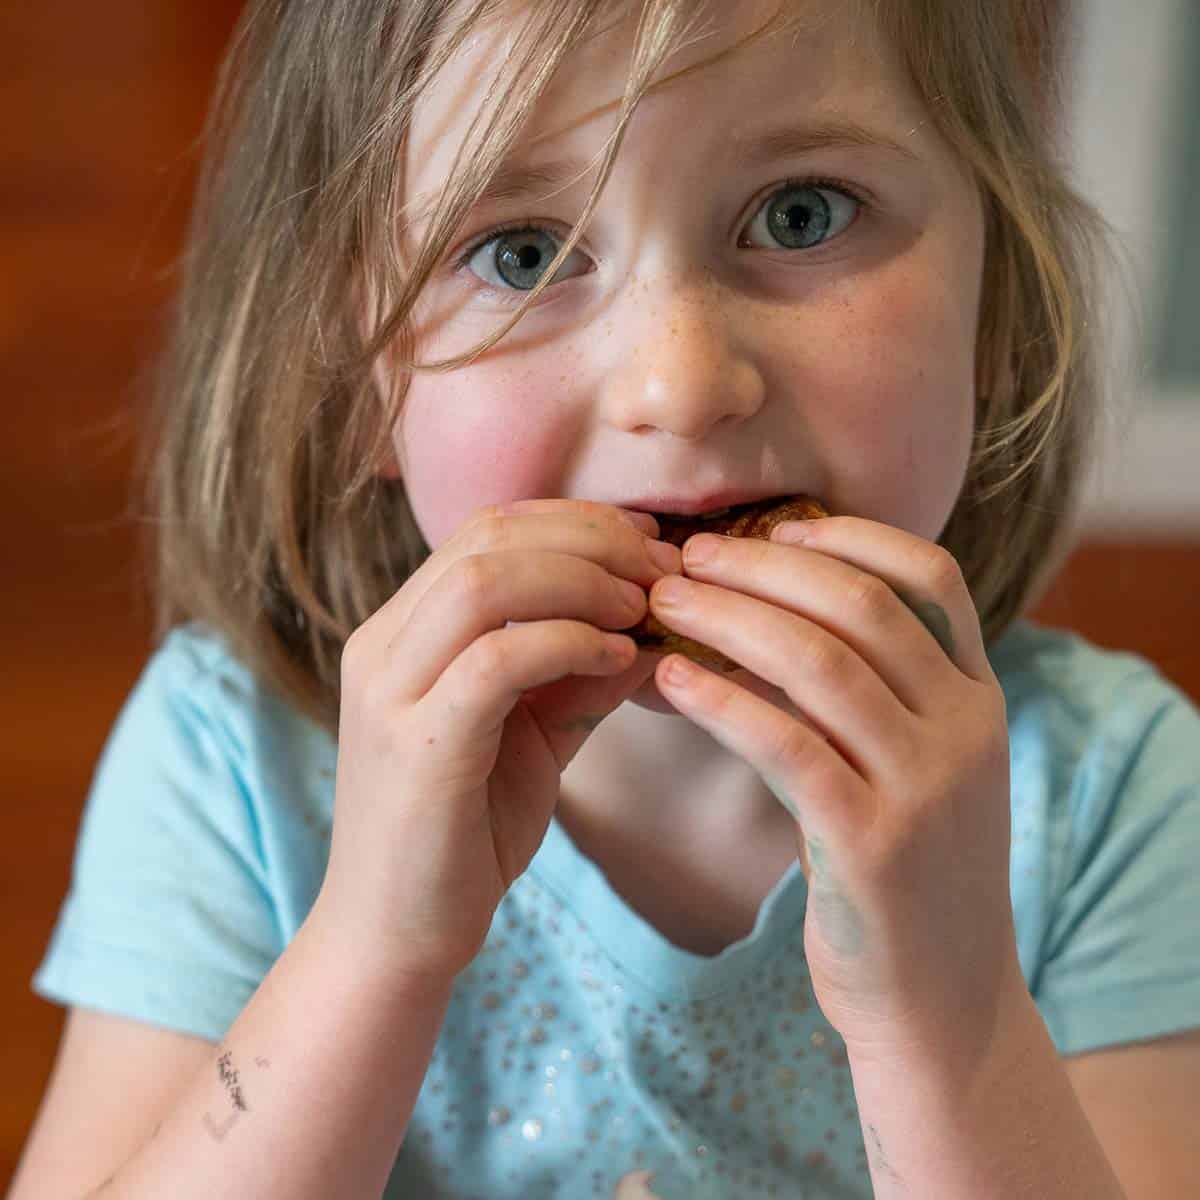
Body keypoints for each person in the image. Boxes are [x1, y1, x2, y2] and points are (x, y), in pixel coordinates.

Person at [12, 0, 1200, 1197]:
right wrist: (374, 946)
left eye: (802, 215)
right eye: (523, 252)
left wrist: (951, 1012)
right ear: (359, 371)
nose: (680, 383)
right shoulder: (238, 762)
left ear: (992, 305)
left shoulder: (1109, 793)